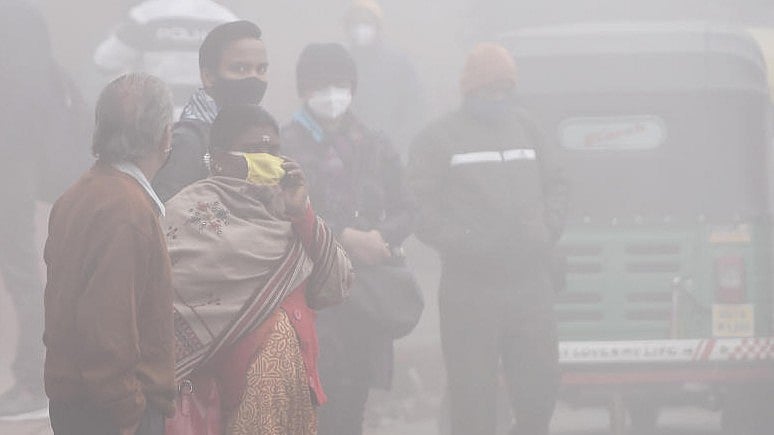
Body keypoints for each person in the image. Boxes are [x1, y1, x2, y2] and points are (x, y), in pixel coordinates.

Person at [407, 43, 569, 435]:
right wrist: (464, 242)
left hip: (530, 283)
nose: (497, 97)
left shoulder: (528, 128)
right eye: (488, 89)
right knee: (472, 396)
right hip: (470, 288)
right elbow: (418, 207)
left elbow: (558, 183)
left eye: (504, 89)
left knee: (539, 390)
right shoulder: (438, 138)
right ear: (469, 89)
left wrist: (546, 229)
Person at [163, 103, 353, 434]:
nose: (266, 157)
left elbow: (337, 282)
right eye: (253, 149)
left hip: (295, 382)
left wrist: (301, 211)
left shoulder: (287, 212)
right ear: (220, 159)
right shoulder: (187, 212)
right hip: (229, 390)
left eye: (273, 149)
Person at [281, 43, 416, 435]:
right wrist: (342, 235)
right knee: (311, 403)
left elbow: (408, 206)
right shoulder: (283, 144)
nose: (332, 94)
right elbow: (281, 210)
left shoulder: (374, 143)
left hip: (364, 293)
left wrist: (380, 236)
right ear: (304, 89)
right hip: (308, 293)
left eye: (340, 83)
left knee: (354, 402)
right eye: (321, 84)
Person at [43, 73, 176, 435]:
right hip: (111, 411)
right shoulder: (127, 210)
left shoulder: (79, 194)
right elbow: (108, 327)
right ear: (165, 136)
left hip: (78, 402)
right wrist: (126, 412)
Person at [0, 0, 90, 417]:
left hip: (12, 156)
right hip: (20, 156)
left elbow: (19, 97)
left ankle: (35, 380)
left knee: (21, 271)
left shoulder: (15, 19)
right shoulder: (24, 18)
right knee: (26, 271)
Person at [152, 19, 268, 201]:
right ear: (208, 76)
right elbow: (170, 218)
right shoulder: (188, 142)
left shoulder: (260, 136)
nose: (253, 78)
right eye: (241, 68)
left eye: (261, 69)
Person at [93, 0, 238, 116]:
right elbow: (242, 76)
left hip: (156, 121)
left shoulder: (146, 16)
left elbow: (104, 61)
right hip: (211, 121)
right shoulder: (226, 20)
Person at [342, 0, 423, 158]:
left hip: (392, 149)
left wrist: (399, 141)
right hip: (349, 152)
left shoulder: (399, 64)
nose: (360, 28)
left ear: (378, 26)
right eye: (355, 23)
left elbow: (415, 107)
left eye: (366, 22)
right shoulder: (341, 61)